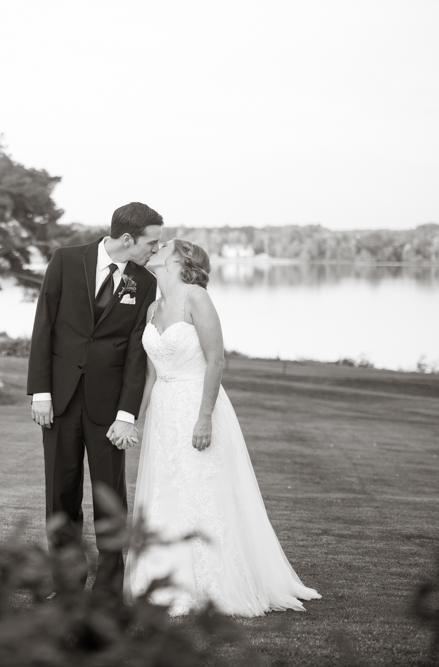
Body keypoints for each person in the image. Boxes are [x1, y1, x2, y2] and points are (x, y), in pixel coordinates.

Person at [124, 238, 321, 616]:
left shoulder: (196, 297)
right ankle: (164, 579)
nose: (155, 248)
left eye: (163, 245)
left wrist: (204, 417)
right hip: (164, 413)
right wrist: (133, 417)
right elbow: (150, 374)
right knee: (168, 490)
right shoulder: (153, 306)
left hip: (197, 405)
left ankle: (211, 583)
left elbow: (216, 361)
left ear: (180, 260)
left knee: (202, 490)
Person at [27, 202, 162, 598]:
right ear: (126, 239)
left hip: (109, 410)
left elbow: (138, 354)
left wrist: (127, 414)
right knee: (60, 497)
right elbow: (44, 326)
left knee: (110, 500)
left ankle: (107, 591)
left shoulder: (145, 282)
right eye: (150, 242)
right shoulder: (66, 261)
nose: (154, 249)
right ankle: (67, 587)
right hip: (60, 402)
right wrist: (40, 391)